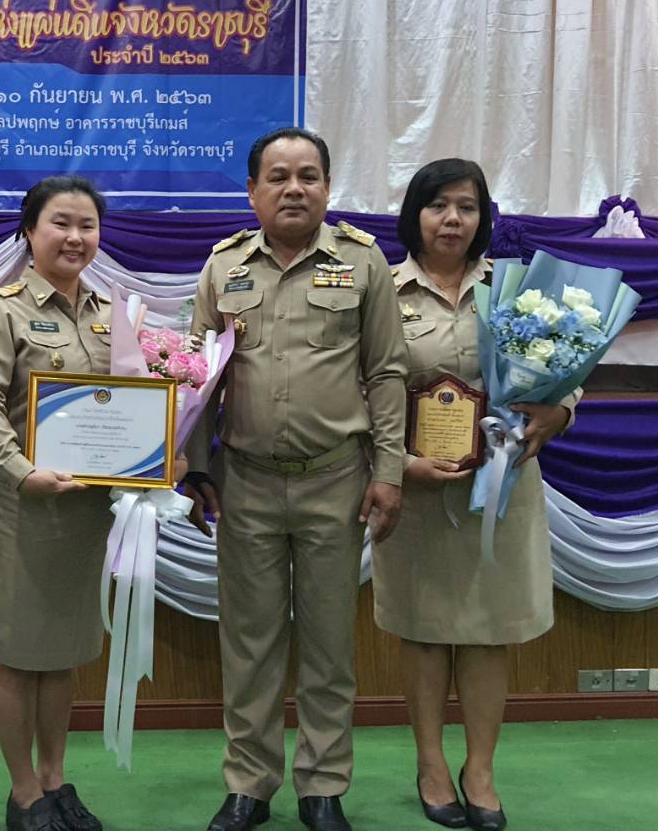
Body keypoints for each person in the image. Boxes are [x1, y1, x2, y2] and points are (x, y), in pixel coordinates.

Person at [182, 127, 408, 831]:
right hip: (244, 480)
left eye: (308, 176)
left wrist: (391, 471)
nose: (294, 188)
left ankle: (322, 787)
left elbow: (386, 372)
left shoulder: (363, 263)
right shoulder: (223, 268)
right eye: (277, 177)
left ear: (327, 188)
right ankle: (249, 783)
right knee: (248, 641)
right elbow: (196, 378)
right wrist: (193, 467)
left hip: (336, 480)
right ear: (252, 191)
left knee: (329, 641)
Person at [371, 158, 578, 831]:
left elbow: (563, 367)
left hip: (502, 487)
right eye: (437, 205)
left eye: (465, 206)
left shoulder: (514, 290)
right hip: (418, 494)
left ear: (483, 217)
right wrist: (399, 464)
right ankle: (431, 766)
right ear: (415, 215)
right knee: (426, 635)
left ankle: (480, 771)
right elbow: (359, 388)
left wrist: (560, 412)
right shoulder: (383, 290)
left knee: (490, 636)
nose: (451, 219)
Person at [0, 175, 114, 831]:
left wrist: (162, 458)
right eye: (61, 223)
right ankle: (23, 790)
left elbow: (129, 405)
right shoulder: (5, 309)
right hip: (27, 506)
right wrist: (20, 472)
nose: (75, 237)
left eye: (86, 225)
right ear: (30, 231)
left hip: (85, 511)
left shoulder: (109, 313)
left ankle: (55, 777)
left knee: (65, 650)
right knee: (20, 654)